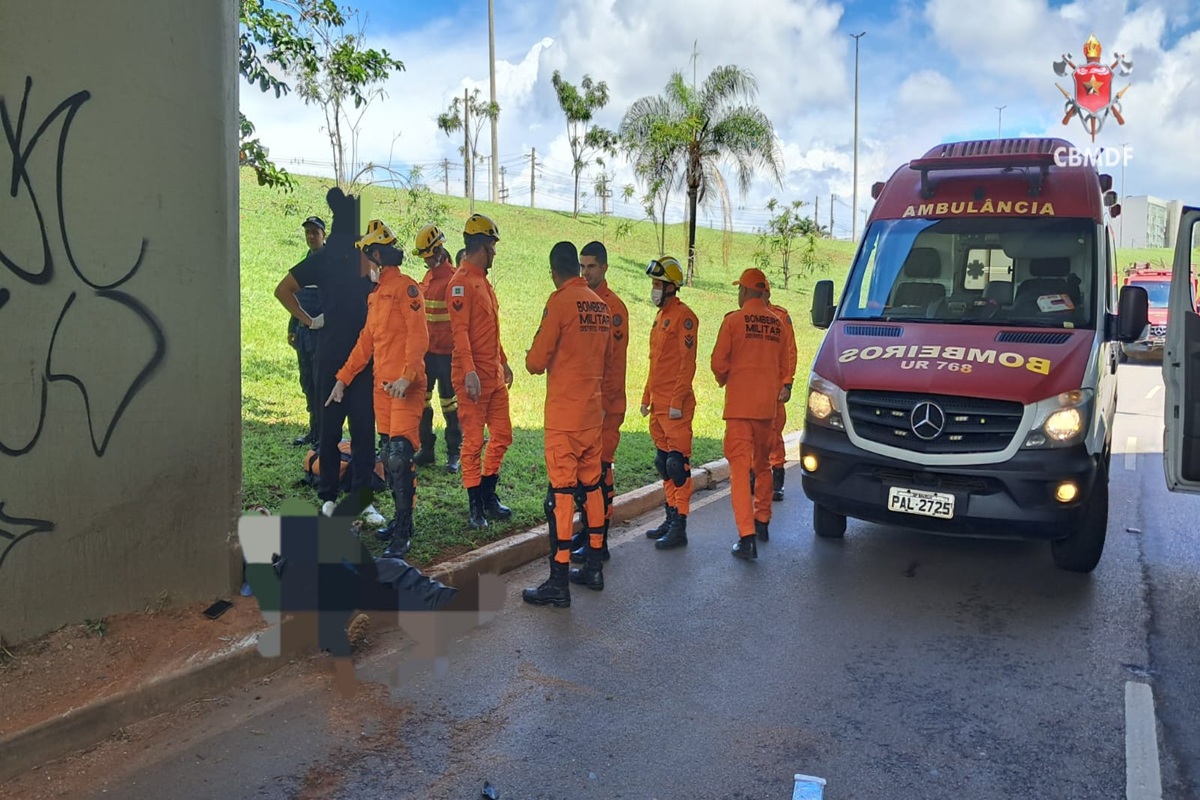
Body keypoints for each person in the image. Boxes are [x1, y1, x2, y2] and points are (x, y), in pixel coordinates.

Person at [274, 192, 383, 525]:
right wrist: (309, 320)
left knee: (358, 431)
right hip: (335, 357)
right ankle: (331, 499)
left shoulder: (361, 257)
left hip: (358, 358)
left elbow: (378, 291)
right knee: (337, 431)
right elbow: (283, 290)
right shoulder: (329, 259)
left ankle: (355, 500)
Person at [325, 219, 429, 558]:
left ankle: (404, 530)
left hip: (405, 388)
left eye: (365, 257)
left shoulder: (407, 289)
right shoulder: (375, 297)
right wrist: (343, 379)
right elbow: (365, 343)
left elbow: (418, 337)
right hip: (382, 389)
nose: (362, 264)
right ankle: (399, 520)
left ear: (377, 256)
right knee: (388, 454)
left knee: (399, 457)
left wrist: (407, 377)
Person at [522, 241, 612, 607]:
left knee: (560, 496)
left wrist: (530, 355)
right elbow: (607, 358)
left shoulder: (559, 302)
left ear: (553, 272)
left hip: (564, 418)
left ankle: (558, 580)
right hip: (592, 415)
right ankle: (594, 567)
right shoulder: (601, 305)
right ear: (577, 267)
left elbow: (535, 361)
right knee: (592, 488)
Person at [711, 268, 790, 560]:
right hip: (766, 410)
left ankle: (747, 537)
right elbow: (785, 366)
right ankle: (762, 521)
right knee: (763, 465)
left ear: (744, 291)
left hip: (739, 410)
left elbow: (718, 362)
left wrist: (726, 378)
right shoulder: (778, 324)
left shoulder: (733, 321)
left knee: (740, 472)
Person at [447, 214, 515, 529]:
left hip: (493, 375)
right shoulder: (460, 283)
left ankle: (488, 494)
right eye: (493, 246)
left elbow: (491, 330)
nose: (495, 252)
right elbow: (460, 333)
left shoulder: (483, 283)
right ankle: (475, 505)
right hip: (471, 378)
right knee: (473, 442)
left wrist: (504, 361)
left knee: (502, 435)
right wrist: (469, 372)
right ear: (482, 246)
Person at [570, 240, 628, 564]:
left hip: (606, 406)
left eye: (591, 266)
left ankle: (600, 538)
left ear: (604, 267)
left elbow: (613, 364)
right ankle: (587, 530)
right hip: (586, 405)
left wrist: (604, 404)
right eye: (582, 266)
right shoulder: (583, 301)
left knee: (600, 472)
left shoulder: (613, 307)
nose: (585, 272)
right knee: (584, 474)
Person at [640, 256, 698, 550]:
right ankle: (670, 514)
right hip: (658, 404)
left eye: (658, 284)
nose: (654, 289)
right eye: (653, 283)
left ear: (671, 287)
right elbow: (656, 363)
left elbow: (687, 364)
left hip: (676, 407)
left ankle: (680, 525)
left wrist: (676, 401)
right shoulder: (660, 317)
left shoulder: (685, 318)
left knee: (677, 465)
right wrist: (646, 397)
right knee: (663, 463)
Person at [412, 224, 463, 473]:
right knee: (422, 401)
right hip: (427, 352)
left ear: (439, 251)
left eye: (429, 256)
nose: (427, 261)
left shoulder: (454, 280)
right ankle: (427, 449)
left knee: (450, 404)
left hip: (447, 354)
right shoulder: (428, 278)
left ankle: (454, 453)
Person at [289, 216, 326, 447]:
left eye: (315, 232)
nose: (311, 236)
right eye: (308, 233)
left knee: (320, 382)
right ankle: (314, 431)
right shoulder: (306, 262)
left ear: (324, 235)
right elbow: (296, 299)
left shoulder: (329, 264)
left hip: (321, 333)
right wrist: (292, 327)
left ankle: (323, 434)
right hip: (303, 332)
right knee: (307, 382)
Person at [765, 285, 797, 502]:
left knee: (773, 433)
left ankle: (777, 479)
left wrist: (787, 384)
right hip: (752, 388)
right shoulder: (742, 317)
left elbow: (790, 352)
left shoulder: (780, 317)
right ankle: (754, 476)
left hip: (774, 386)